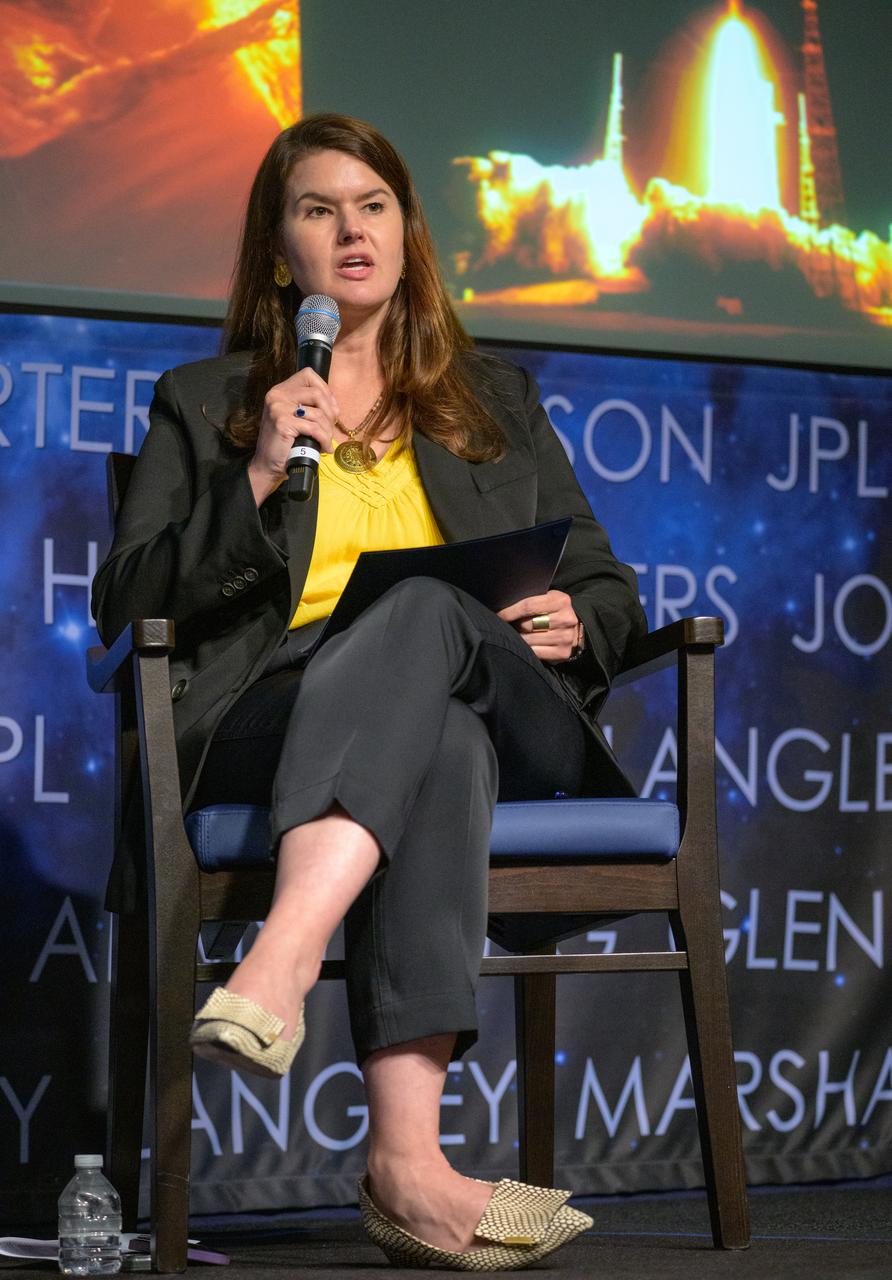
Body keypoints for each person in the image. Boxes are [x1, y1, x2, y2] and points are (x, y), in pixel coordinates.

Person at [92, 113, 647, 1271]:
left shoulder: (492, 394)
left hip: (506, 698)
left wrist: (575, 620)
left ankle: (279, 959)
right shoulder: (205, 402)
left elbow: (605, 584)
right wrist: (250, 477)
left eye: (372, 204)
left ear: (405, 230)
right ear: (279, 248)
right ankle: (408, 1169)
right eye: (316, 208)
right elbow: (127, 594)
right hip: (277, 712)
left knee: (428, 616)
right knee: (432, 736)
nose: (349, 229)